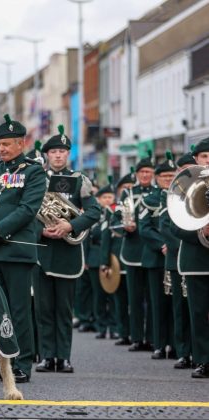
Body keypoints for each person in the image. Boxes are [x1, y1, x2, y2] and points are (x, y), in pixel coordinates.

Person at [0, 113, 46, 383]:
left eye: (7, 144)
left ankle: (22, 363)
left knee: (18, 310)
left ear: (21, 143)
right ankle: (3, 363)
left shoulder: (33, 171)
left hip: (17, 250)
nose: (2, 149)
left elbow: (28, 209)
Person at [34, 125, 100, 374]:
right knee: (43, 308)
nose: (59, 156)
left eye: (63, 151)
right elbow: (28, 212)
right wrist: (41, 230)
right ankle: (46, 356)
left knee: (64, 309)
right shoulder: (37, 178)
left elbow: (94, 211)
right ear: (47, 155)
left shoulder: (79, 179)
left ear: (68, 155)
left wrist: (69, 224)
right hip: (42, 249)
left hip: (68, 251)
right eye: (54, 152)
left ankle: (64, 357)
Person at [171, 138, 209, 379]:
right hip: (195, 260)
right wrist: (201, 232)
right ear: (196, 159)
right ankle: (204, 360)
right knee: (198, 313)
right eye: (205, 157)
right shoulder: (184, 185)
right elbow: (176, 225)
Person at [115, 152, 159, 352]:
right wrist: (126, 226)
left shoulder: (159, 193)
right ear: (137, 173)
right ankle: (136, 338)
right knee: (134, 297)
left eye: (148, 171)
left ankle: (152, 338)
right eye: (142, 172)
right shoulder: (128, 194)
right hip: (132, 251)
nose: (145, 175)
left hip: (152, 250)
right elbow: (117, 219)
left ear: (153, 173)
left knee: (152, 298)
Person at [138, 151, 176, 360]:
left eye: (172, 176)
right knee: (157, 303)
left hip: (176, 255)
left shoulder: (181, 197)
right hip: (155, 258)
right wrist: (162, 244)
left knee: (175, 304)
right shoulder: (149, 199)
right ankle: (159, 344)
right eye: (165, 177)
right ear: (157, 178)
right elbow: (144, 227)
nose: (168, 180)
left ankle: (177, 345)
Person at [160, 149, 195, 369]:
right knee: (180, 309)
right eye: (181, 170)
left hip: (197, 255)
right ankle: (183, 352)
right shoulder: (173, 194)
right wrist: (182, 245)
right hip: (177, 257)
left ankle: (200, 352)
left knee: (197, 309)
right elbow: (165, 225)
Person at [101, 171, 135, 345]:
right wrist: (104, 262)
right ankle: (123, 332)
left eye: (130, 187)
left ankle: (139, 334)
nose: (128, 190)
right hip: (118, 262)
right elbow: (107, 237)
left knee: (136, 301)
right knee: (119, 301)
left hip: (135, 259)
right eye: (125, 188)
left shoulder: (139, 204)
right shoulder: (113, 210)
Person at [87, 181, 116, 339]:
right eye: (104, 197)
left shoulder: (116, 214)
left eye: (110, 196)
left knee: (112, 294)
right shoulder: (94, 215)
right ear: (98, 199)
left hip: (113, 259)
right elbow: (88, 236)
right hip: (95, 257)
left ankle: (114, 326)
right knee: (98, 295)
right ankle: (101, 326)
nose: (107, 200)